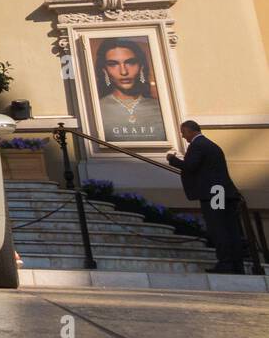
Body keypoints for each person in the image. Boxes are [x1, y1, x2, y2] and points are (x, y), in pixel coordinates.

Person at [168, 121, 245, 274]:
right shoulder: (211, 144)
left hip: (213, 193)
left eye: (183, 133)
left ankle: (226, 263)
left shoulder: (198, 145)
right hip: (221, 191)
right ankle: (236, 263)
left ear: (189, 131)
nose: (183, 136)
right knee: (230, 228)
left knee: (218, 227)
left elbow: (191, 166)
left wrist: (172, 160)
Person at [95, 38, 165, 142]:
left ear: (141, 66)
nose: (123, 72)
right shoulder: (96, 109)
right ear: (104, 70)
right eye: (113, 64)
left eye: (130, 62)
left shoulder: (160, 108)